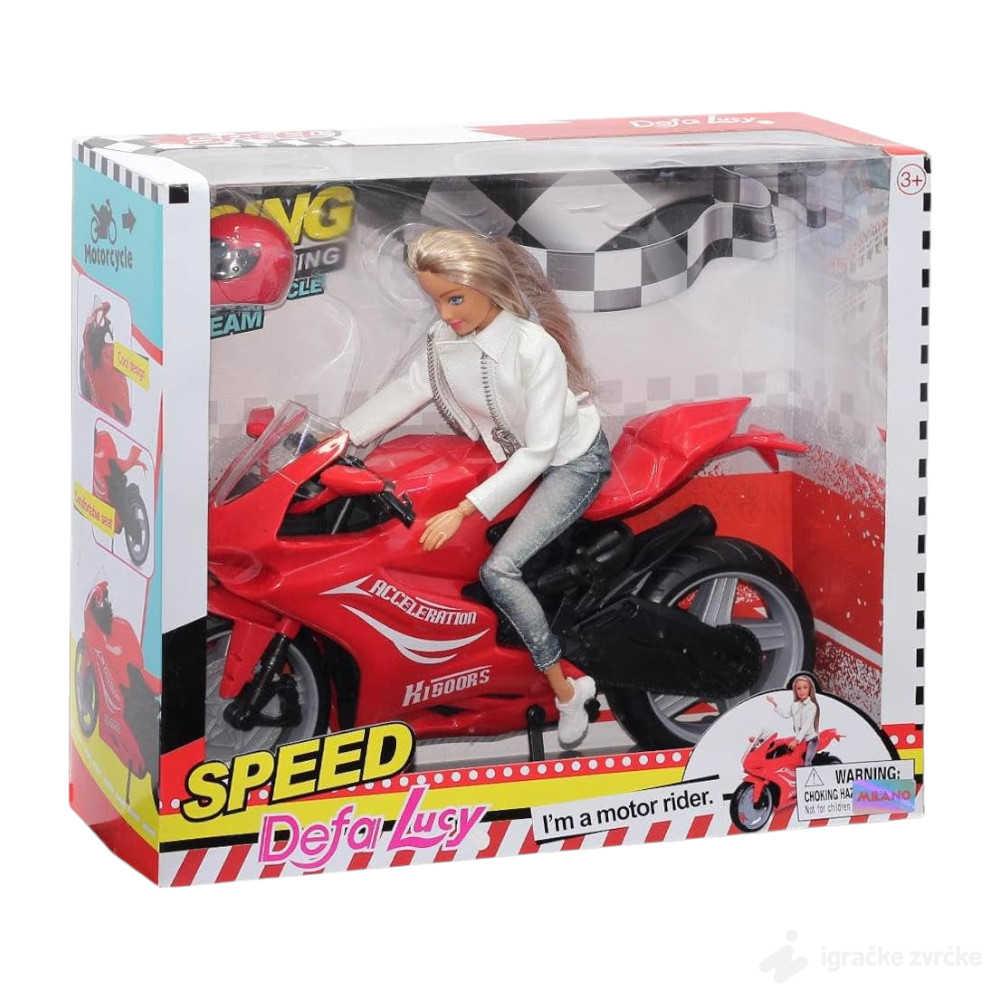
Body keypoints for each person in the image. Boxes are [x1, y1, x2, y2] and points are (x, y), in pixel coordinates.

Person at [339, 227, 612, 745]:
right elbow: (409, 389)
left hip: (568, 461)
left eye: (455, 299)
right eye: (436, 301)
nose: (445, 314)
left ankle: (567, 691)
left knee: (499, 570)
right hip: (511, 459)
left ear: (488, 285)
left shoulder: (534, 347)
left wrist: (463, 510)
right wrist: (337, 440)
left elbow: (539, 450)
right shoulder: (445, 342)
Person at [766, 673, 821, 764]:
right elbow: (785, 714)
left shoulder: (812, 706)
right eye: (799, 688)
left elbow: (806, 726)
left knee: (807, 762)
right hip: (800, 740)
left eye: (805, 687)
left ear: (810, 689)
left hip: (811, 739)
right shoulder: (795, 705)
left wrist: (796, 740)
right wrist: (774, 704)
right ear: (795, 690)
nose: (802, 691)